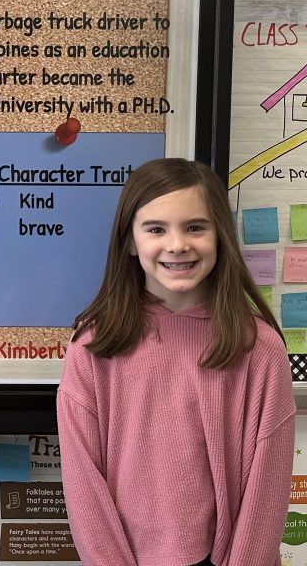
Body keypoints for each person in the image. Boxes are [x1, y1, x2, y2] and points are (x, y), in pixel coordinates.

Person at [58, 158, 294, 566]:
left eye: (195, 227)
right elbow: (83, 486)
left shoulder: (260, 349)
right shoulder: (93, 346)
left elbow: (266, 493)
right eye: (156, 229)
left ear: (220, 236)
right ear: (130, 241)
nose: (177, 244)